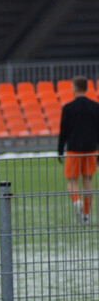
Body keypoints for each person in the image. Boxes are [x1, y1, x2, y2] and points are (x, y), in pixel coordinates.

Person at [56, 76, 99, 223]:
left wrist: (60, 150)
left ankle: (76, 200)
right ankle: (86, 214)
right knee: (87, 179)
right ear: (86, 88)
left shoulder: (68, 108)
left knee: (72, 180)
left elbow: (64, 131)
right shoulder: (95, 107)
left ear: (75, 88)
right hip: (91, 149)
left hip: (74, 149)